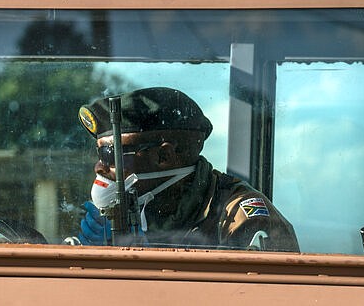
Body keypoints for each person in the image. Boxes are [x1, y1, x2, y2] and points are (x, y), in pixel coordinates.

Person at [72, 87, 299, 252]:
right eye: (99, 154)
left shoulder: (240, 218)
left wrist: (147, 260)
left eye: (111, 154)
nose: (99, 166)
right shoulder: (124, 213)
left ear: (164, 156)